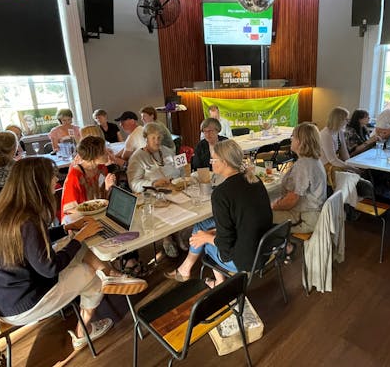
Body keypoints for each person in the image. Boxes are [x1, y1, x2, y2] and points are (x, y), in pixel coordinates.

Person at [0, 157, 146, 350]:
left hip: (5, 294)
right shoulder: (27, 221)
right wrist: (79, 237)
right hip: (24, 304)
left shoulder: (5, 210)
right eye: (52, 179)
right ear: (38, 184)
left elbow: (33, 242)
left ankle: (112, 275)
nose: (56, 183)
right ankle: (84, 331)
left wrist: (67, 229)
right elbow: (50, 269)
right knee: (91, 273)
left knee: (77, 248)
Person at [164, 140, 272, 286]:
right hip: (264, 249)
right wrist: (210, 233)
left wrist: (206, 238)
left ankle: (220, 285)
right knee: (202, 231)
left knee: (204, 243)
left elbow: (225, 246)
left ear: (224, 162)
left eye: (213, 159)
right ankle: (189, 270)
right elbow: (243, 222)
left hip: (244, 260)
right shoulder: (254, 180)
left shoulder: (221, 194)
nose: (210, 162)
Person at [127, 122, 189, 258]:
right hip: (152, 195)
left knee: (188, 205)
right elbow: (134, 184)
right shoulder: (138, 157)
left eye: (159, 138)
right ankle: (166, 238)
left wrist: (183, 179)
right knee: (165, 209)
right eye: (153, 138)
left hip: (173, 190)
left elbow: (180, 169)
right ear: (146, 138)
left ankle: (178, 234)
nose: (157, 141)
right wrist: (153, 183)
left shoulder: (167, 151)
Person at [272, 122, 327, 234]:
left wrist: (273, 206)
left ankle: (285, 247)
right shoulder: (314, 160)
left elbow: (291, 201)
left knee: (260, 216)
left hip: (305, 218)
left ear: (301, 141)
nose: (291, 139)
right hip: (313, 213)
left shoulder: (303, 165)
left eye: (293, 136)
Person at [61, 136, 116, 218]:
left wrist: (108, 187)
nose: (107, 153)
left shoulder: (101, 169)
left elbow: (101, 199)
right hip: (79, 220)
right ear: (94, 157)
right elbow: (69, 210)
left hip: (99, 215)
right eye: (104, 152)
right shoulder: (75, 176)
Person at [319, 107, 360, 187]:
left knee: (354, 173)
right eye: (346, 119)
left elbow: (344, 152)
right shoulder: (326, 134)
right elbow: (332, 160)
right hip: (325, 166)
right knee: (350, 175)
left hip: (334, 162)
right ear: (338, 120)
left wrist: (351, 165)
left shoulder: (339, 131)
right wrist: (352, 169)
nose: (348, 122)